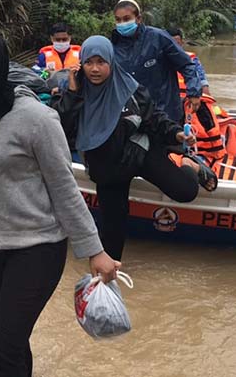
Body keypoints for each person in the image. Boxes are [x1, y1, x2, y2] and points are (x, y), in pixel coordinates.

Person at [0, 30, 119, 377]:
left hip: (37, 247)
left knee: (2, 347)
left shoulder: (37, 119)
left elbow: (64, 189)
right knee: (11, 340)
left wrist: (95, 251)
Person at [52, 35, 217, 261]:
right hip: (108, 168)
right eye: (89, 62)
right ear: (81, 64)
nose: (95, 69)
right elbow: (61, 127)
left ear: (111, 61)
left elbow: (154, 118)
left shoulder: (130, 89)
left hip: (139, 151)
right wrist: (72, 92)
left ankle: (191, 165)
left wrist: (176, 133)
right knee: (112, 241)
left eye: (101, 62)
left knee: (185, 191)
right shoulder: (75, 92)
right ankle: (109, 282)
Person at [111, 0, 202, 122]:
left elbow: (186, 65)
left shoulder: (158, 38)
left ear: (138, 19)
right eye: (118, 20)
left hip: (165, 112)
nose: (122, 24)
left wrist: (194, 92)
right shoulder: (112, 47)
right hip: (133, 116)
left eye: (127, 19)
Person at [167, 27, 210, 96]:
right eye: (171, 44)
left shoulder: (192, 59)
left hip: (189, 98)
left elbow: (202, 81)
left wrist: (207, 98)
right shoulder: (157, 60)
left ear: (182, 43)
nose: (174, 47)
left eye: (177, 44)